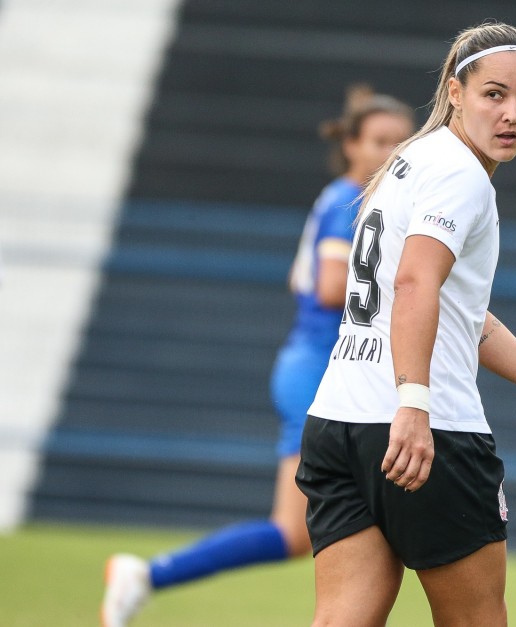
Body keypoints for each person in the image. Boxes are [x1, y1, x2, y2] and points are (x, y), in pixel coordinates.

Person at [295, 21, 516, 627]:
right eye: (493, 94)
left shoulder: (410, 160)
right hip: (427, 431)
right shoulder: (460, 175)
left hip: (339, 423)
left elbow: (460, 316)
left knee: (341, 619)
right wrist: (414, 404)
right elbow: (415, 283)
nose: (512, 114)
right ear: (455, 92)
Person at [100, 85, 415, 627]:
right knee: (366, 514)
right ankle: (149, 575)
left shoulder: (358, 199)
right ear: (352, 148)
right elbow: (332, 287)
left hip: (313, 365)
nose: (390, 153)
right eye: (379, 141)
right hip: (319, 368)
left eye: (400, 143)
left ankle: (148, 576)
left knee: (294, 533)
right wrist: (415, 285)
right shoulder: (351, 203)